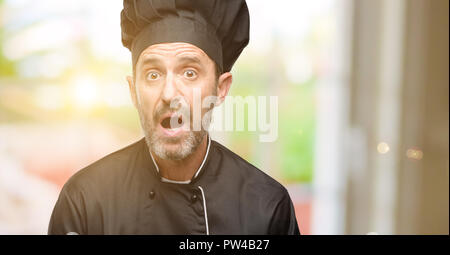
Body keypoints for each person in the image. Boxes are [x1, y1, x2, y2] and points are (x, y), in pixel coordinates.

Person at [48, 0, 300, 235]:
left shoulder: (267, 208)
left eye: (189, 72)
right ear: (133, 91)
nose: (169, 94)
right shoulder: (85, 201)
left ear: (220, 89)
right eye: (153, 74)